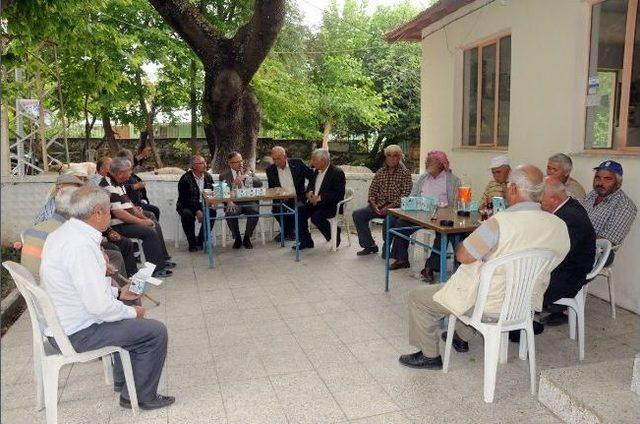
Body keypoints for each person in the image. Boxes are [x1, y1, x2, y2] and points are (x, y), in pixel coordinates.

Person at [398, 165, 570, 369]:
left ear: (513, 188)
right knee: (479, 287)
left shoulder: (499, 223)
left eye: (507, 185)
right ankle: (461, 335)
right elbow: (554, 259)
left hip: (489, 303)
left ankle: (429, 356)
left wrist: (469, 245)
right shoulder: (558, 225)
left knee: (419, 297)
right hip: (524, 302)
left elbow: (462, 256)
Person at [40, 185, 174, 410]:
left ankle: (125, 383)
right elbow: (98, 307)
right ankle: (140, 396)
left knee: (127, 306)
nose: (111, 216)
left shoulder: (62, 233)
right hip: (76, 332)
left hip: (65, 322)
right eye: (109, 211)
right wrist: (133, 312)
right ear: (97, 212)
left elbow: (81, 290)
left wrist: (118, 292)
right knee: (154, 332)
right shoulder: (81, 246)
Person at [388, 151, 461, 279]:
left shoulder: (453, 181)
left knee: (442, 233)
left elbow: (456, 203)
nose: (426, 163)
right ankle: (402, 259)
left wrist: (442, 209)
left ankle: (430, 267)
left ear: (440, 164)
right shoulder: (423, 178)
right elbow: (412, 195)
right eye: (427, 160)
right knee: (399, 223)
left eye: (430, 161)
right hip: (419, 215)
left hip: (440, 216)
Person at [536, 176, 596, 328]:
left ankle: (518, 324)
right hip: (565, 268)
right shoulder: (569, 206)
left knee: (517, 281)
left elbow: (557, 255)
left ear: (554, 199)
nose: (538, 203)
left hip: (568, 278)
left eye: (540, 199)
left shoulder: (568, 218)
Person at [99, 157, 174, 278]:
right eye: (129, 170)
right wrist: (142, 222)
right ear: (120, 172)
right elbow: (120, 214)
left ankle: (162, 259)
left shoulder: (119, 183)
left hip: (123, 221)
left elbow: (130, 206)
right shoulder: (108, 186)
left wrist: (144, 219)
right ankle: (156, 269)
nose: (131, 173)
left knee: (152, 220)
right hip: (116, 225)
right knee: (149, 231)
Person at [352, 144, 412, 256]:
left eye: (395, 156)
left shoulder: (405, 174)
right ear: (386, 157)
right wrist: (373, 204)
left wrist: (388, 207)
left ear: (399, 157)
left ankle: (387, 245)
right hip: (378, 206)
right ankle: (370, 245)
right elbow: (372, 191)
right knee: (358, 214)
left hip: (396, 209)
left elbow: (405, 195)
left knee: (388, 221)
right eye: (389, 155)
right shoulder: (380, 172)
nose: (391, 158)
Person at [580, 160, 637, 265]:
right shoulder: (592, 195)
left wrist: (576, 239)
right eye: (597, 178)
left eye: (607, 179)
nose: (600, 183)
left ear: (618, 183)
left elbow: (607, 241)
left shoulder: (625, 205)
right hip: (576, 244)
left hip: (599, 252)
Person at [296, 149, 346, 250]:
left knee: (316, 217)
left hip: (330, 205)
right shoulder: (316, 171)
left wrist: (319, 198)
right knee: (299, 211)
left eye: (314, 160)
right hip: (315, 203)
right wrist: (309, 193)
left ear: (323, 161)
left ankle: (335, 233)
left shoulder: (337, 172)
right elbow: (311, 186)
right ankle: (306, 241)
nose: (312, 162)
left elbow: (338, 194)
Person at [265, 146, 314, 241]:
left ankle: (288, 232)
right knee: (276, 210)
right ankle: (289, 232)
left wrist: (309, 190)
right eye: (274, 159)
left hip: (298, 197)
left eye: (278, 158)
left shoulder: (297, 163)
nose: (276, 162)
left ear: (285, 156)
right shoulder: (270, 170)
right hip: (281, 198)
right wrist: (280, 195)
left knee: (298, 209)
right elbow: (272, 187)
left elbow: (312, 176)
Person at [219, 151, 263, 249]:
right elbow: (223, 192)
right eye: (237, 162)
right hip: (234, 202)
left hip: (249, 201)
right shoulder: (224, 175)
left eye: (241, 161)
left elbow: (259, 184)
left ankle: (247, 237)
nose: (241, 163)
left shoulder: (248, 171)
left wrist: (246, 177)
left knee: (254, 211)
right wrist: (229, 202)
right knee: (230, 213)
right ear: (230, 163)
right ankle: (237, 237)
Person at [176, 155, 216, 252]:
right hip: (186, 205)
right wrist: (197, 210)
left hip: (204, 204)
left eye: (204, 162)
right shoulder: (185, 179)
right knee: (187, 215)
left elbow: (212, 192)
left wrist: (213, 203)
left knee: (212, 213)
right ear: (194, 166)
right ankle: (192, 243)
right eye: (201, 163)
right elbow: (184, 199)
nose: (205, 165)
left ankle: (201, 240)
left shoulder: (208, 177)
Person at [116, 149, 161, 219]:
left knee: (154, 210)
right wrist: (134, 186)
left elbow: (135, 161)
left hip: (137, 202)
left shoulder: (127, 168)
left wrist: (142, 155)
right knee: (153, 213)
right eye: (130, 159)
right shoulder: (119, 172)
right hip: (130, 205)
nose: (132, 162)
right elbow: (118, 188)